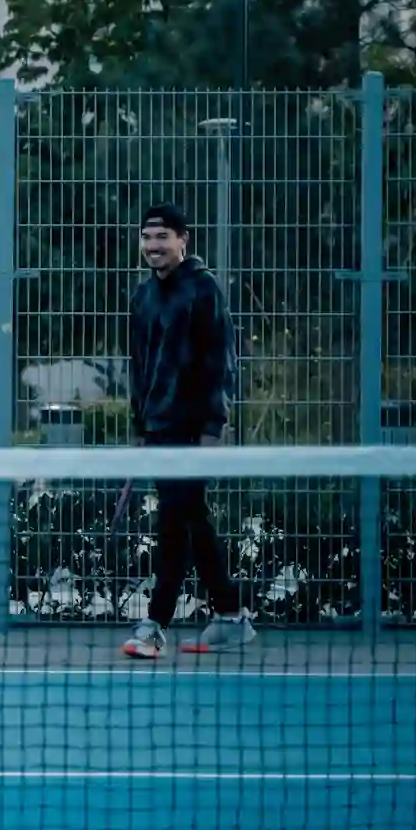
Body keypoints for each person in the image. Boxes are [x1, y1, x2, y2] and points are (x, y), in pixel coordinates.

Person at [121, 203, 255, 658]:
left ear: (183, 240)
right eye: (147, 238)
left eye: (162, 238)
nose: (154, 246)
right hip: (157, 429)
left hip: (194, 429)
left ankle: (154, 625)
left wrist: (213, 429)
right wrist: (140, 425)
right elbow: (139, 368)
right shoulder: (141, 298)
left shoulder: (203, 289)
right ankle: (231, 614)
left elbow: (222, 362)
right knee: (189, 520)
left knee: (177, 523)